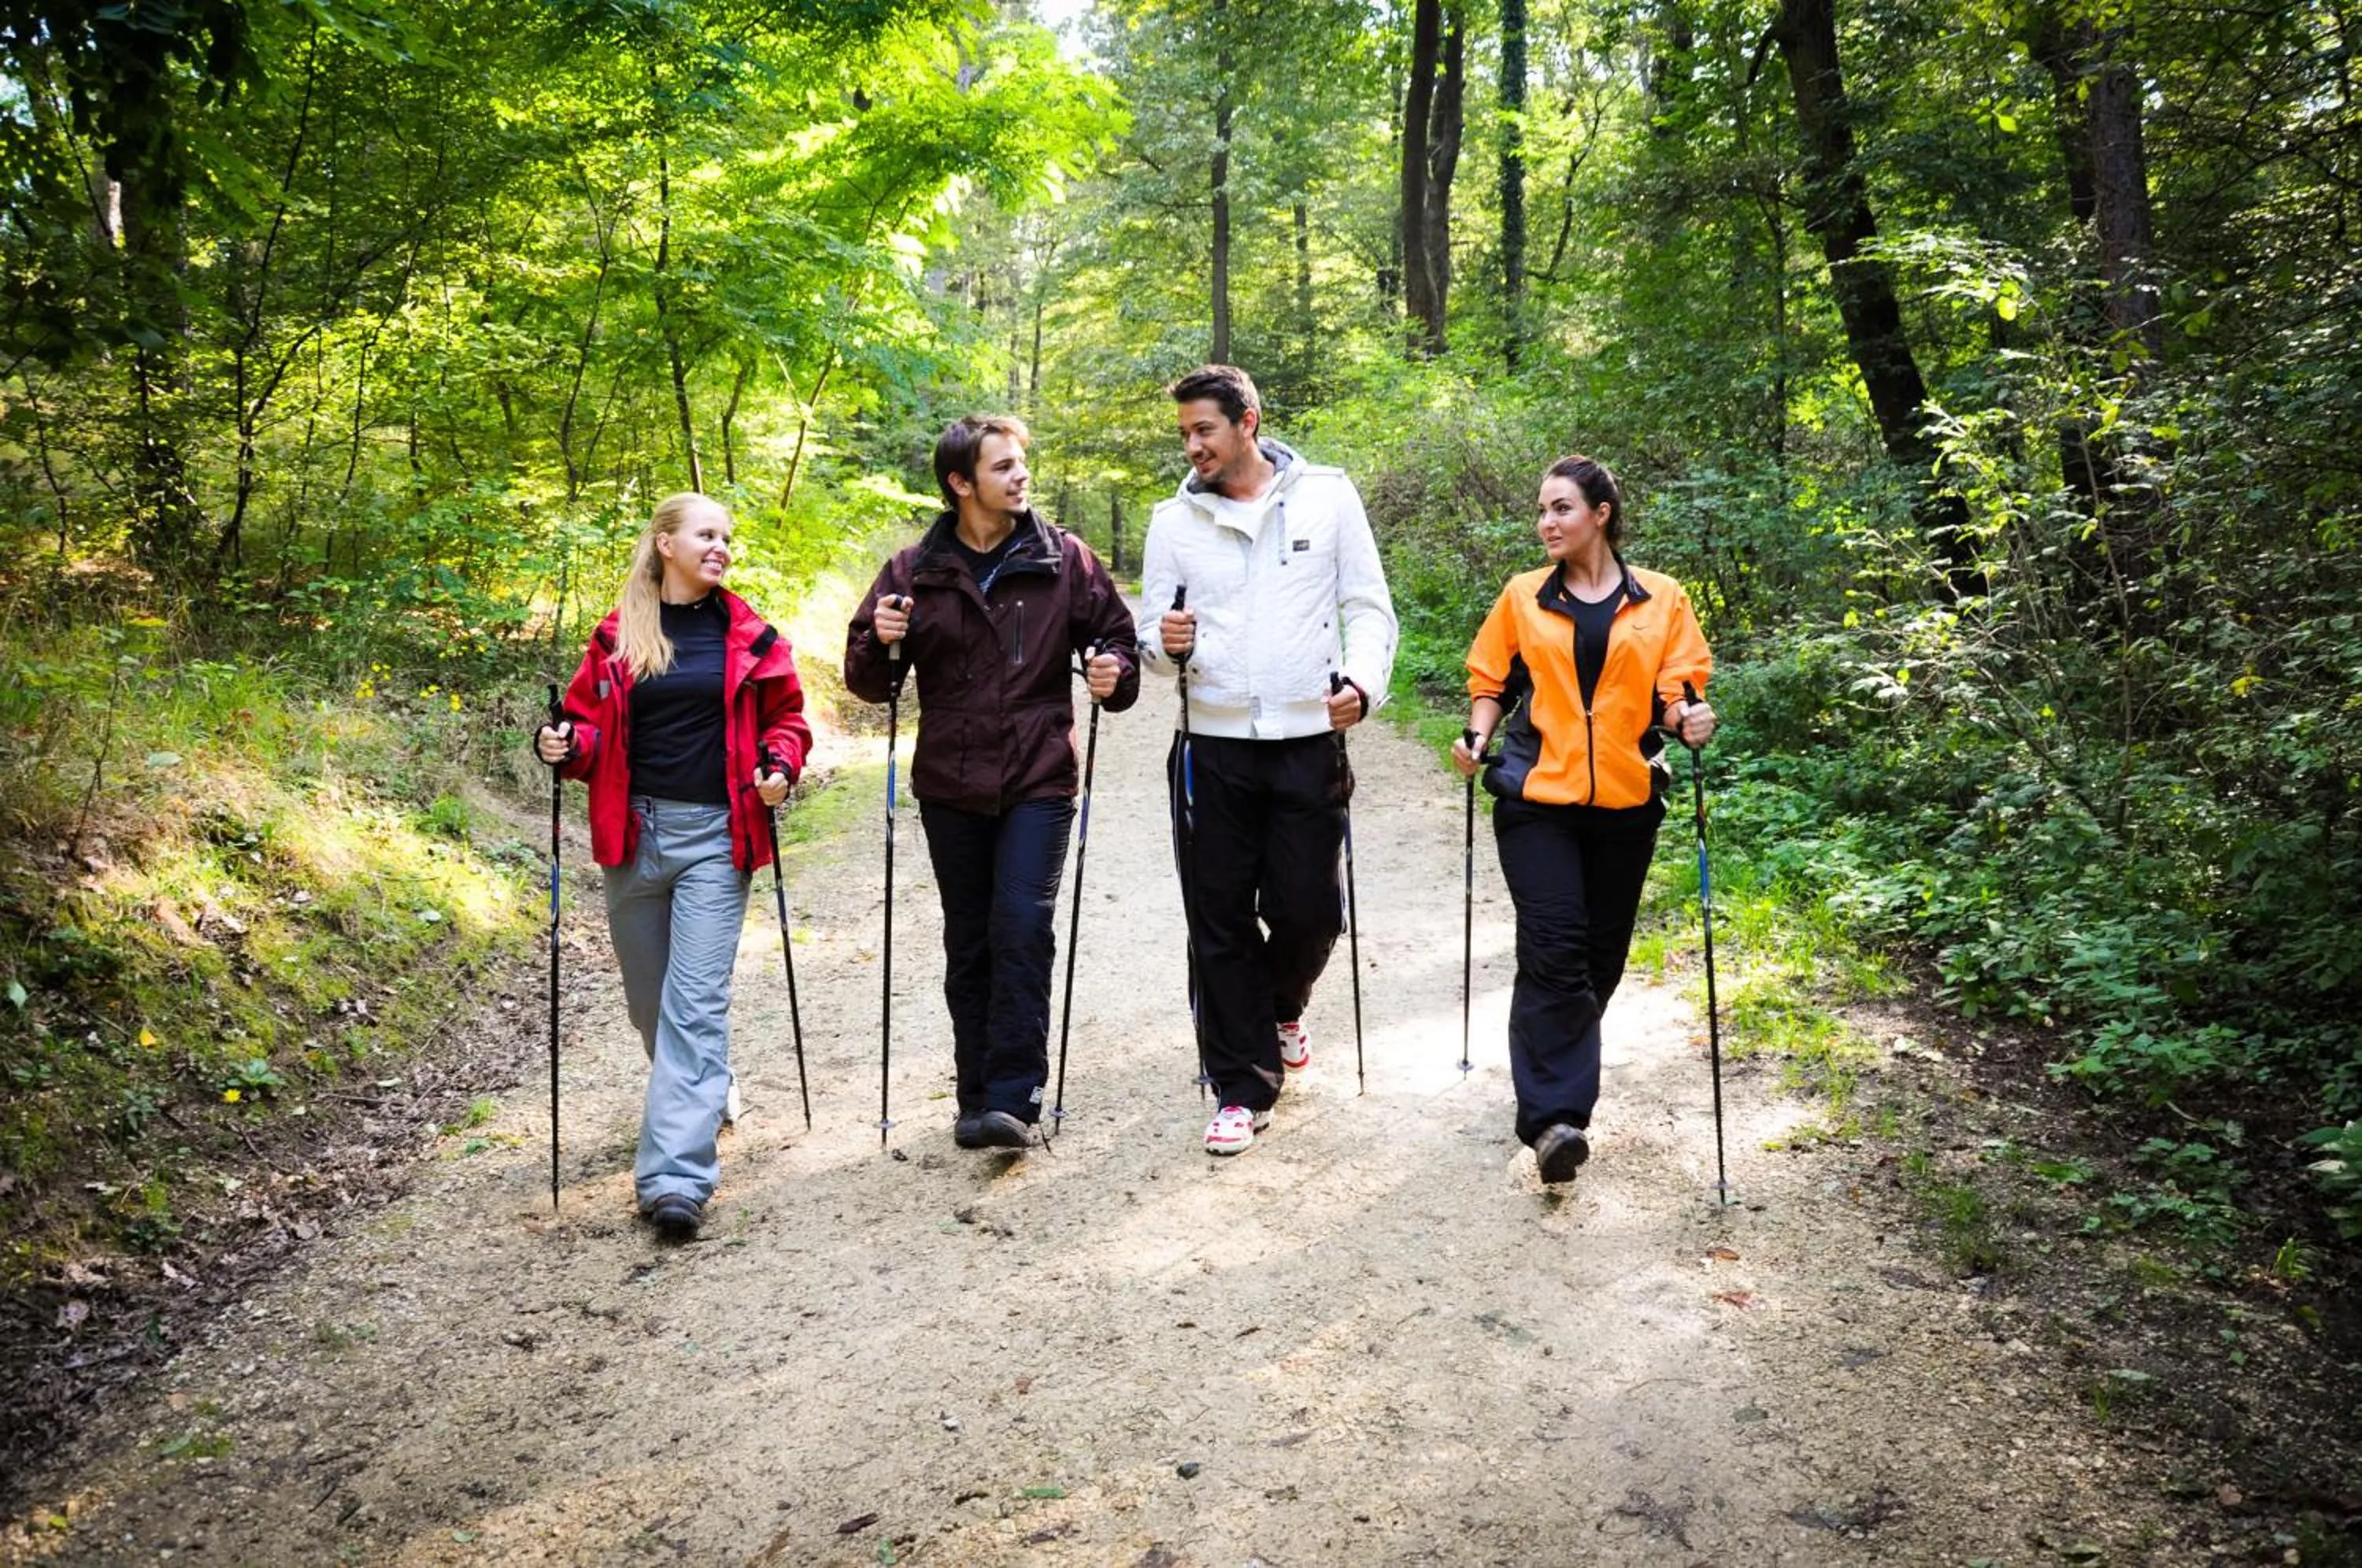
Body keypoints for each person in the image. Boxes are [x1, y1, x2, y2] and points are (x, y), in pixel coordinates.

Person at [844, 415, 1138, 1151]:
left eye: (1020, 463)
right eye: (1002, 466)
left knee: (1021, 926)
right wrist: (880, 639)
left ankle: (1014, 1096)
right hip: (949, 780)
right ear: (960, 483)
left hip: (1040, 775)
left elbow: (1115, 640)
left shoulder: (1064, 559)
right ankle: (974, 1097)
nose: (1020, 476)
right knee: (969, 939)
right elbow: (870, 683)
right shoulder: (912, 571)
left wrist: (1114, 671)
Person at [536, 492, 811, 1241]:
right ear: (666, 544)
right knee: (650, 1004)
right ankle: (706, 1089)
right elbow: (586, 729)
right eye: (706, 534)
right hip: (634, 836)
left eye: (727, 537)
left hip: (718, 837)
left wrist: (779, 765)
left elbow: (787, 720)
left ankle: (675, 1179)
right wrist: (563, 745)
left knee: (694, 1007)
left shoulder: (748, 634)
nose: (721, 547)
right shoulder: (619, 634)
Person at [1138, 364, 1398, 1156]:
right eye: (1184, 434)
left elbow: (1368, 607)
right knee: (1217, 920)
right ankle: (1242, 1088)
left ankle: (1283, 1008)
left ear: (1247, 421)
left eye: (1204, 430)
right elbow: (1150, 639)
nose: (1192, 446)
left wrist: (1364, 683)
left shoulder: (1328, 495)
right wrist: (1165, 645)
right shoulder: (1172, 521)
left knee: (1310, 912)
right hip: (1210, 746)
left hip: (1309, 739)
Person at [1451, 454, 1715, 1183]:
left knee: (1601, 959)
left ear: (1601, 514)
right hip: (1537, 799)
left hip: (1626, 804)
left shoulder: (1662, 599)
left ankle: (1551, 1060)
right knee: (1556, 946)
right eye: (1542, 510)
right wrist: (1476, 737)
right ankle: (1554, 1120)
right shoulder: (1523, 596)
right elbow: (1492, 680)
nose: (1547, 522)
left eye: (1561, 508)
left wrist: (1690, 719)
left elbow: (1678, 693)